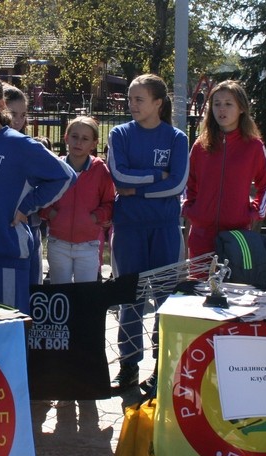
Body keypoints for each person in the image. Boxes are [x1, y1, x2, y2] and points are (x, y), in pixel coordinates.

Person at [0, 72, 76, 314]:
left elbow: (65, 176)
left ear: (0, 105)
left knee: (5, 328)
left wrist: (27, 206)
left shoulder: (19, 145)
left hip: (4, 253)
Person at [107, 74, 188, 396]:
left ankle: (162, 366)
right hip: (129, 228)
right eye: (130, 98)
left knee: (166, 299)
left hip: (165, 228)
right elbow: (119, 176)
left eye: (139, 99)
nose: (132, 104)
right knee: (131, 298)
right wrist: (156, 176)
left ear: (158, 102)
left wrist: (137, 190)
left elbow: (177, 184)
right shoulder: (120, 134)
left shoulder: (176, 138)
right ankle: (129, 364)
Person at [182, 80, 266, 260]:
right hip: (201, 235)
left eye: (228, 104)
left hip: (237, 236)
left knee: (233, 279)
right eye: (216, 104)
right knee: (199, 279)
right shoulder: (201, 145)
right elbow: (187, 180)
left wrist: (255, 212)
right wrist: (189, 208)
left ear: (241, 108)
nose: (221, 109)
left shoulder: (254, 146)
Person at [41, 116, 114, 284]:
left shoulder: (100, 170)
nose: (78, 142)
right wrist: (52, 215)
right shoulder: (55, 167)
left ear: (94, 144)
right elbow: (42, 198)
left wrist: (93, 218)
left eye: (85, 139)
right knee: (61, 292)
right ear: (66, 138)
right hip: (58, 243)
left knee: (85, 294)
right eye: (74, 136)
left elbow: (109, 203)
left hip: (88, 245)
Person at [4, 84, 45, 285]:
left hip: (29, 227)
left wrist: (27, 206)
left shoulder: (30, 146)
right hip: (0, 230)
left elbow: (63, 177)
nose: (18, 120)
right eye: (13, 114)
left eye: (23, 115)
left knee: (32, 286)